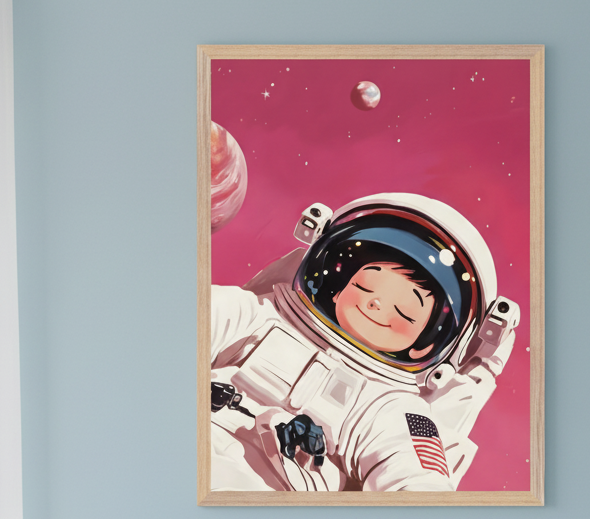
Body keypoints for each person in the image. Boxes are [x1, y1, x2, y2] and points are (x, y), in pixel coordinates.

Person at [210, 192, 519, 491]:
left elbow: (414, 478)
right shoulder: (259, 316)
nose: (376, 305)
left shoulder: (393, 406)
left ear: (425, 342)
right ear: (338, 287)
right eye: (366, 286)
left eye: (403, 311)